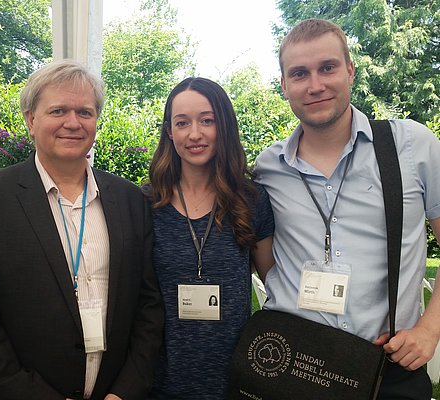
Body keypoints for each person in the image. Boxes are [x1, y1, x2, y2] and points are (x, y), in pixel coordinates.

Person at [0, 60, 164, 400]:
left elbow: (149, 304)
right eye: (58, 110)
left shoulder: (129, 200)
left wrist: (125, 391)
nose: (72, 123)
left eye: (85, 112)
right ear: (31, 120)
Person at [255, 18, 440, 399]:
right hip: (295, 369)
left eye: (328, 67)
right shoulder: (267, 167)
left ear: (350, 70)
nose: (315, 85)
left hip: (388, 370)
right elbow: (265, 256)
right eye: (300, 73)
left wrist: (429, 329)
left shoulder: (412, 146)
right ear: (285, 85)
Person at [144, 77, 274, 399]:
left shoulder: (252, 201)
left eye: (207, 120)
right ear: (169, 132)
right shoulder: (146, 204)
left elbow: (275, 284)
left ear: (224, 126)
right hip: (160, 382)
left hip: (237, 382)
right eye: (182, 122)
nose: (195, 134)